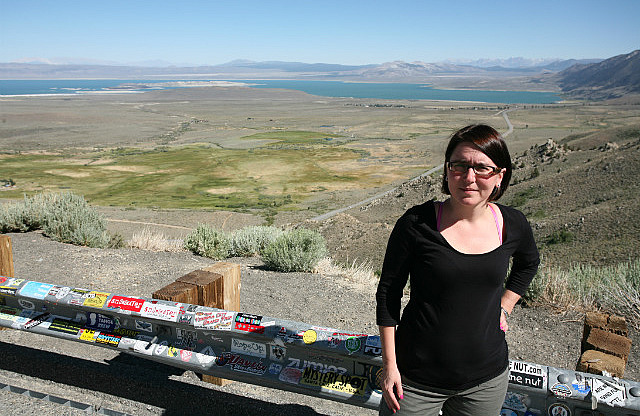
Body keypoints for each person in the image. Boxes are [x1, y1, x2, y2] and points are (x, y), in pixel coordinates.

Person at [375, 124, 540, 415]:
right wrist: (390, 366)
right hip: (414, 380)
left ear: (500, 176)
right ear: (447, 170)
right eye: (459, 166)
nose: (469, 177)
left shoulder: (513, 224)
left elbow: (529, 263)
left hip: (485, 382)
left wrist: (505, 305)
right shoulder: (416, 224)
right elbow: (388, 293)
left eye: (482, 168)